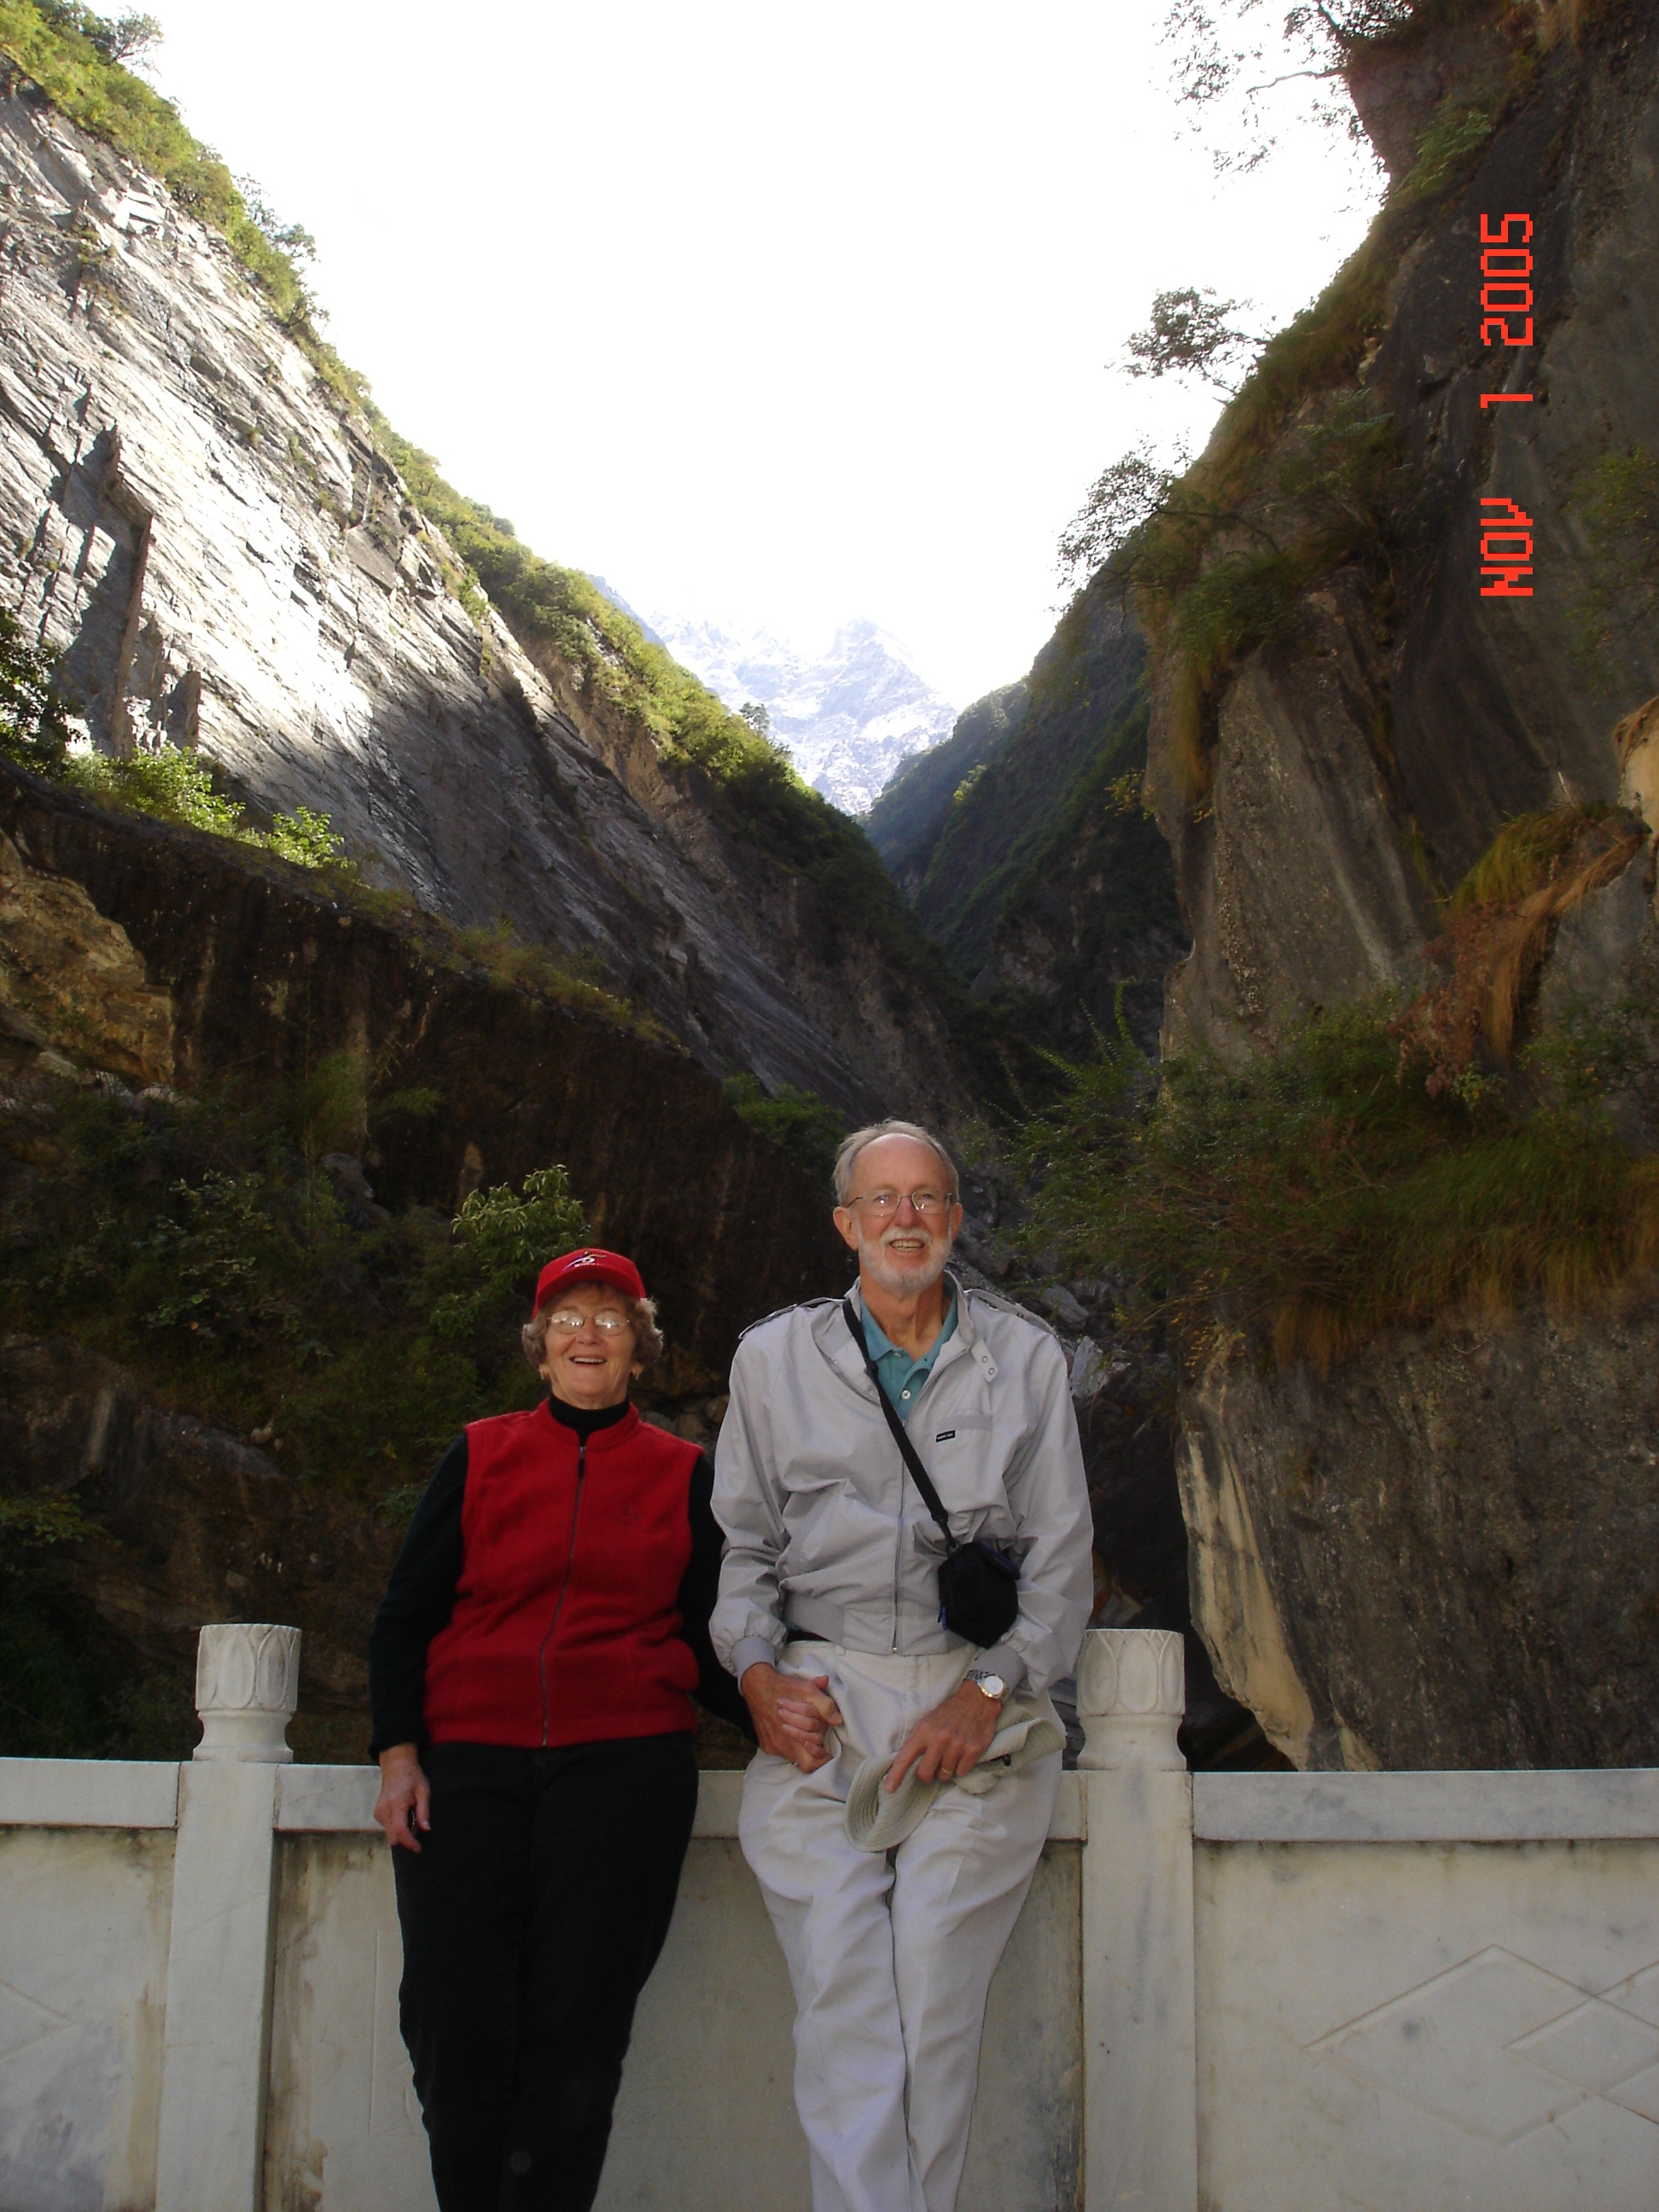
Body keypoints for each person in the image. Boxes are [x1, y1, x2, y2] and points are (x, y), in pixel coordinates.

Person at [712, 1119, 1094, 2212]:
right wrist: (754, 1678)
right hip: (820, 1697)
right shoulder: (774, 1359)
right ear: (846, 1224)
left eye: (927, 1198)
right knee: (841, 1988)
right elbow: (742, 1553)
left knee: (932, 1983)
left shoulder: (1022, 1359)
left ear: (956, 1220)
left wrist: (987, 1693)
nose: (906, 1218)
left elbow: (1063, 1565)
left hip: (973, 1695)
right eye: (882, 1200)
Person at [369, 1244, 751, 2212]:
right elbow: (407, 1614)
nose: (590, 1332)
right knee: (452, 2022)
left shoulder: (681, 1474)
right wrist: (399, 1753)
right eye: (569, 1318)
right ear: (541, 1352)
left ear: (639, 1351)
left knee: (577, 2036)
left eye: (612, 1318)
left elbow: (712, 1643)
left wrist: (787, 1716)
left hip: (623, 1773)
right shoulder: (483, 1451)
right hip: (469, 1769)